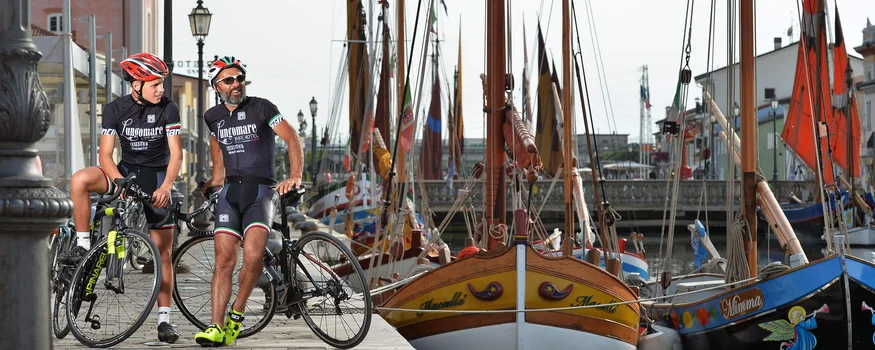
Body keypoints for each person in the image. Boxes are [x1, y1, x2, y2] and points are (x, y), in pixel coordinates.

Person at [58, 52, 182, 343]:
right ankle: (82, 243)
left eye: (161, 83)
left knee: (163, 253)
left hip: (156, 178)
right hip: (123, 172)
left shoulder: (168, 108)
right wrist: (118, 180)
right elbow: (105, 154)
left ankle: (165, 320)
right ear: (137, 84)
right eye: (155, 84)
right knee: (80, 179)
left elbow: (176, 154)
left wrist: (166, 187)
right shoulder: (115, 108)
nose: (161, 89)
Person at [194, 56, 304, 347]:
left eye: (240, 78)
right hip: (230, 193)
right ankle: (215, 326)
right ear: (216, 86)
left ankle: (237, 314)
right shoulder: (212, 116)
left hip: (261, 192)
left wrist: (295, 176)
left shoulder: (262, 107)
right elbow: (217, 144)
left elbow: (292, 137)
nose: (236, 84)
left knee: (253, 256)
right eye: (229, 80)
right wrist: (215, 180)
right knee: (223, 260)